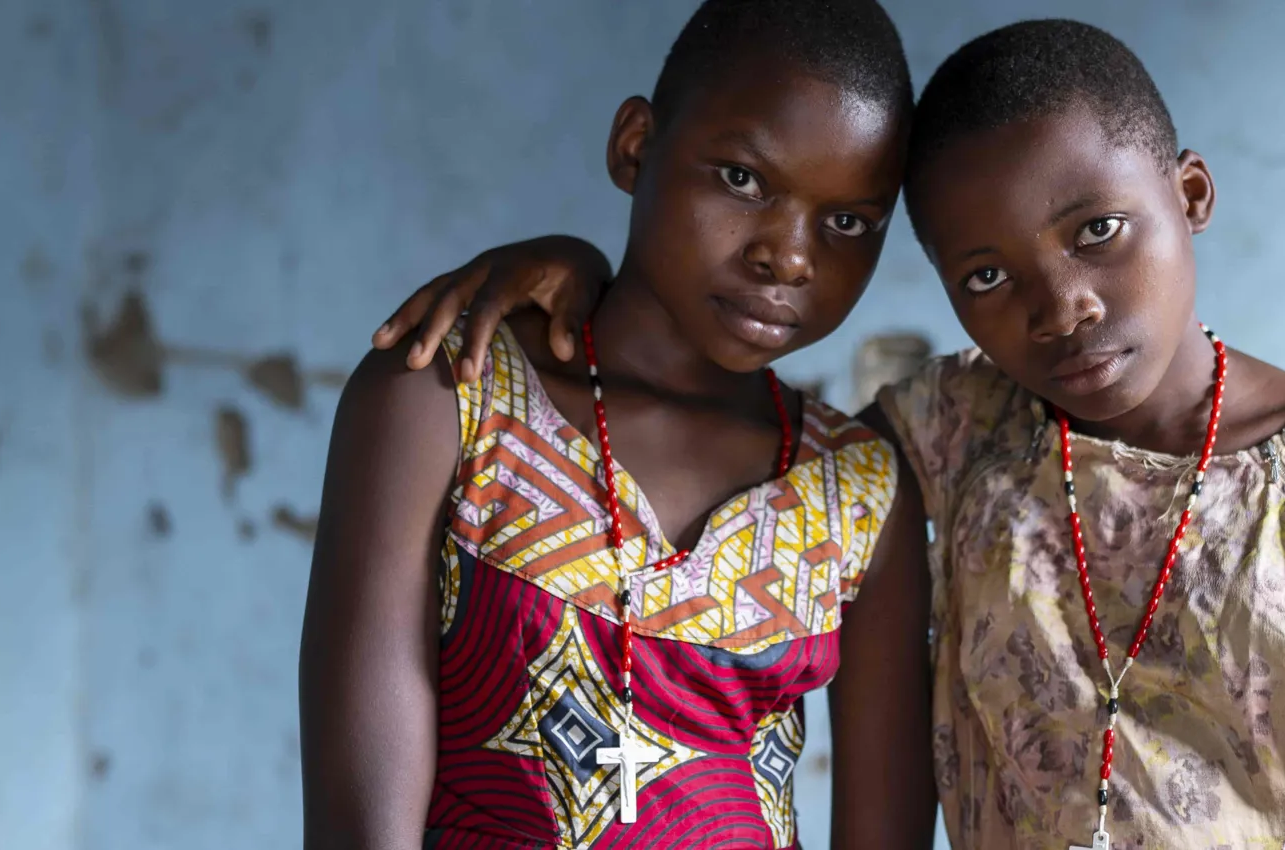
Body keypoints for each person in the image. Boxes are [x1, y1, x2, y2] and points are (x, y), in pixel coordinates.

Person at [373, 18, 1285, 850]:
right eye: (985, 272)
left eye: (1099, 230)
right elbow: (679, 364)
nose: (1061, 302)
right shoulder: (945, 444)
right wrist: (571, 268)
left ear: (1193, 193)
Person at [298, 1, 937, 847]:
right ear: (635, 146)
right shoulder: (451, 397)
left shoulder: (857, 492)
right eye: (743, 179)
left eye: (847, 222)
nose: (787, 255)